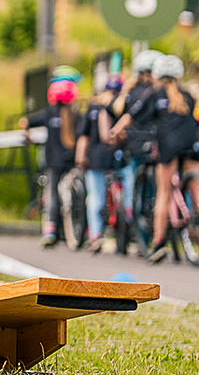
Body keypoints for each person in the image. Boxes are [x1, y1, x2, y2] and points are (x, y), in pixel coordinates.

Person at [146, 54, 199, 262]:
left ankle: (158, 242)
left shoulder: (155, 94)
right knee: (197, 187)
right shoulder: (189, 95)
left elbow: (142, 119)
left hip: (168, 146)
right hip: (191, 143)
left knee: (163, 191)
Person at [21, 72, 82, 248]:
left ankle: (50, 229)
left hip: (52, 161)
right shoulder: (76, 114)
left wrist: (28, 136)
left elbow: (25, 121)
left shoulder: (49, 113)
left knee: (52, 194)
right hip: (71, 159)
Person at [77, 75, 127, 254]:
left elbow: (84, 135)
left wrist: (80, 156)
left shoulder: (94, 106)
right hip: (117, 156)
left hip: (95, 158)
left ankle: (95, 235)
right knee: (122, 191)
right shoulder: (120, 106)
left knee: (95, 198)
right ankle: (123, 231)